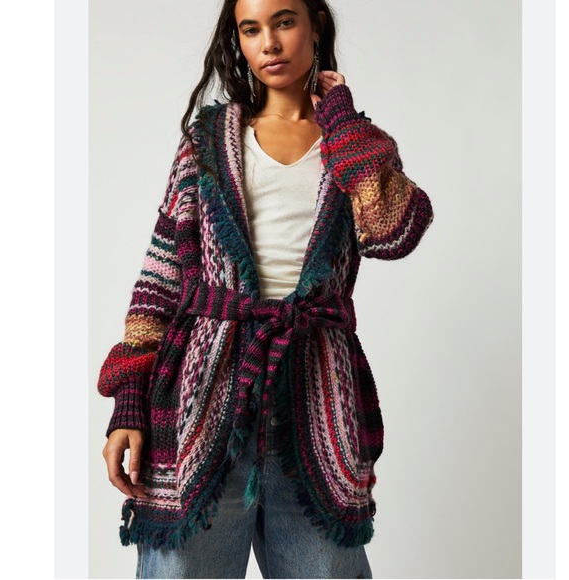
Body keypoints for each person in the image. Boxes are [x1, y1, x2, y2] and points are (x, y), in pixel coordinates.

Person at [98, 0, 433, 577]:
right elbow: (159, 279)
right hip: (201, 400)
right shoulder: (206, 144)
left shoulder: (356, 143)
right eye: (250, 29)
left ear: (315, 25)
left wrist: (342, 122)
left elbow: (394, 232)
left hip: (316, 403)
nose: (269, 43)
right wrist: (129, 399)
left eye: (284, 21)